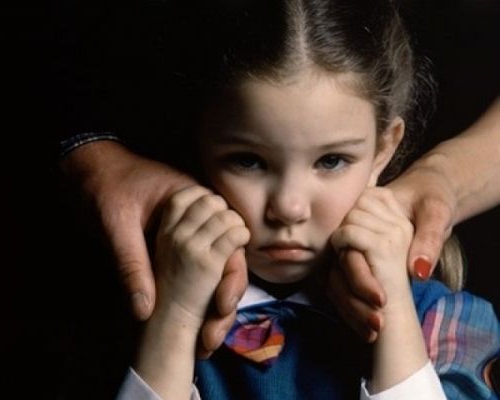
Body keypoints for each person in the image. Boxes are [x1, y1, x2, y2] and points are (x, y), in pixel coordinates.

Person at [59, 2, 500, 356]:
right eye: (249, 161)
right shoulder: (136, 305)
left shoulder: (440, 320)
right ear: (198, 145)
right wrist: (174, 321)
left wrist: (398, 321)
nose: (289, 207)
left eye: (331, 160)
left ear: (383, 149)